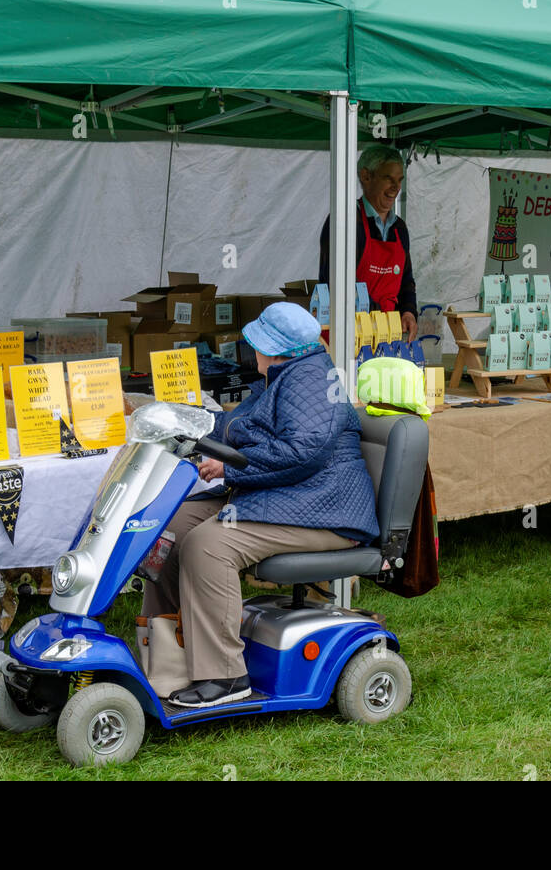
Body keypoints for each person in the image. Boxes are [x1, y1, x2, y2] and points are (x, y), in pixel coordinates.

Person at [141, 302, 379, 708]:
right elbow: (235, 427)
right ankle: (169, 661)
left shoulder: (309, 380)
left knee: (208, 545)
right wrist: (184, 423)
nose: (251, 350)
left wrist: (232, 471)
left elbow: (304, 452)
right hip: (294, 498)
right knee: (169, 526)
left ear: (274, 348)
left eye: (256, 342)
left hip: (326, 510)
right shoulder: (282, 376)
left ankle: (226, 676)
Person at [318, 145, 418, 342]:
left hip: (389, 332)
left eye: (399, 181)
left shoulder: (399, 228)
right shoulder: (344, 221)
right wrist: (375, 314)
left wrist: (408, 312)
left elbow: (406, 281)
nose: (396, 187)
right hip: (350, 333)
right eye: (388, 178)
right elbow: (334, 283)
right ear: (366, 176)